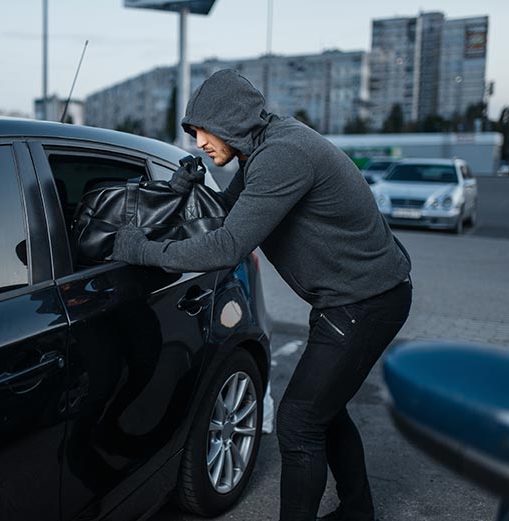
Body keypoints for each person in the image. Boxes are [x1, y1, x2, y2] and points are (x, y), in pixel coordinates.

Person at [112, 69, 412, 521]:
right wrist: (180, 190)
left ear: (229, 120)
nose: (198, 143)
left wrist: (143, 250)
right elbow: (226, 213)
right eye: (191, 133)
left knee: (299, 422)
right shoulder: (262, 150)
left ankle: (353, 510)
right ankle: (359, 510)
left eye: (201, 130)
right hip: (351, 297)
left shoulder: (283, 155)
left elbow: (228, 245)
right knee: (324, 413)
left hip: (366, 301)